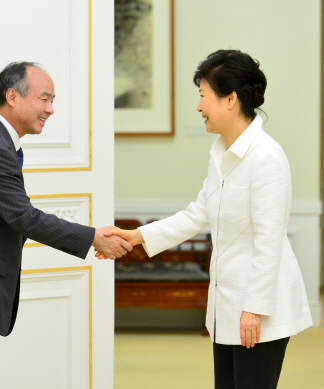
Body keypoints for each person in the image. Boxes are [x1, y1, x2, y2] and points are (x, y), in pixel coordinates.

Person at [102, 50, 313, 389]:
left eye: (203, 96)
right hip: (227, 306)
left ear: (230, 99)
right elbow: (197, 213)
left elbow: (269, 242)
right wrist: (136, 236)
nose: (199, 107)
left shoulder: (266, 157)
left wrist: (253, 309)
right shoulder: (221, 150)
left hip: (257, 311)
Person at [0, 61, 132, 389]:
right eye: (44, 99)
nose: (51, 109)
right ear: (13, 96)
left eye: (53, 100)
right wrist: (93, 238)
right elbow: (24, 217)